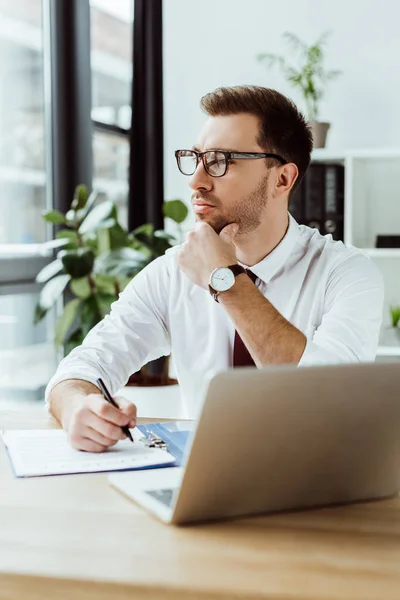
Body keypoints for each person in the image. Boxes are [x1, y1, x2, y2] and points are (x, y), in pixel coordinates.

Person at [46, 85, 384, 452]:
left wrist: (225, 280)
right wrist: (78, 406)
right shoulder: (171, 273)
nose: (196, 181)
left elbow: (329, 401)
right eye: (196, 158)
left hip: (315, 484)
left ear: (282, 179)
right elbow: (82, 367)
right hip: (205, 484)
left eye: (221, 161)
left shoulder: (347, 274)